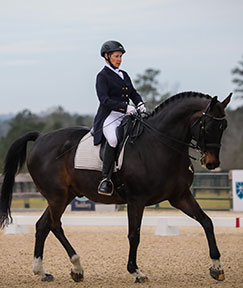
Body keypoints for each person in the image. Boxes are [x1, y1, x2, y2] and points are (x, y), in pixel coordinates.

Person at [93, 40, 146, 196]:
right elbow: (104, 100)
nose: (119, 59)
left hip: (127, 113)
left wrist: (139, 102)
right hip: (110, 115)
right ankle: (105, 179)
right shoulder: (102, 76)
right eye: (116, 56)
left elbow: (133, 93)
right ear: (107, 57)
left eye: (121, 56)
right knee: (114, 140)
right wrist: (125, 107)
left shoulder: (124, 75)